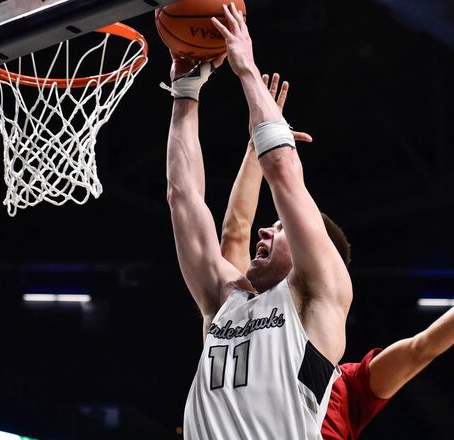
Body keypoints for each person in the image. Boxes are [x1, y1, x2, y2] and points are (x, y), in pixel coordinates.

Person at [218, 73, 454, 440]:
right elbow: (235, 231)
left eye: (282, 228)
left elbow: (421, 348)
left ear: (312, 259)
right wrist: (256, 146)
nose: (265, 231)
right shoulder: (235, 326)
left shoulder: (344, 387)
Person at [164, 3, 352, 438]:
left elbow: (283, 173)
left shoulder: (320, 300)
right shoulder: (224, 301)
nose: (266, 229)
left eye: (281, 229)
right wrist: (185, 91)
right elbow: (183, 197)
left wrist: (246, 67)